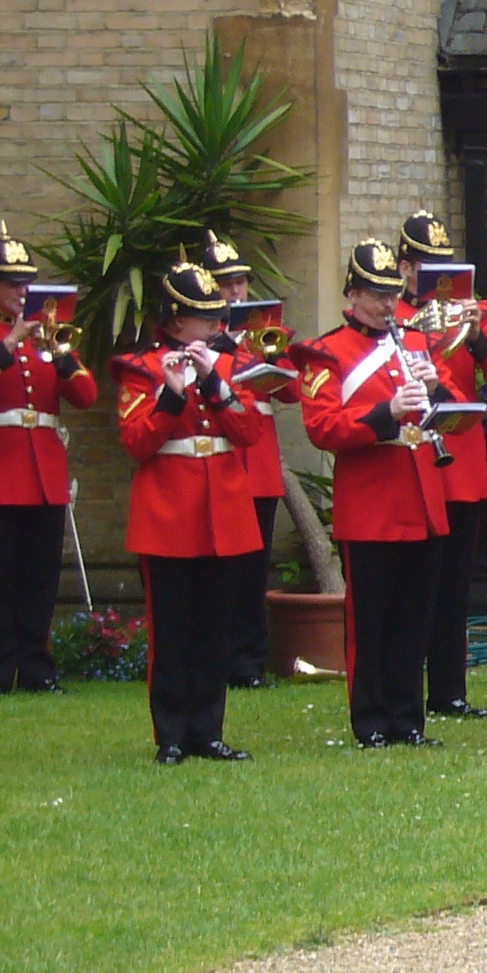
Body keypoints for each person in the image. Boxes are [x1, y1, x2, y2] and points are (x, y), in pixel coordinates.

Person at [296, 236, 453, 748]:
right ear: (353, 294)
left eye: (393, 292)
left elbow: (458, 420)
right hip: (371, 501)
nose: (390, 303)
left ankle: (409, 719)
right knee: (371, 621)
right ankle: (371, 721)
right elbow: (323, 428)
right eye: (377, 293)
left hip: (421, 497)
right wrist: (385, 413)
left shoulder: (414, 344)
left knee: (413, 620)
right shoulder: (327, 354)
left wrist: (436, 392)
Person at [114, 261, 272, 762]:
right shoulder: (142, 369)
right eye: (206, 319)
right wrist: (171, 393)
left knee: (214, 629)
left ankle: (207, 730)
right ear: (178, 323)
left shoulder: (229, 367)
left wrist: (215, 385)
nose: (217, 327)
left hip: (223, 510)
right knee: (174, 631)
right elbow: (137, 443)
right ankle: (172, 735)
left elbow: (249, 433)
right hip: (169, 513)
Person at [0, 224, 96, 693]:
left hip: (45, 473)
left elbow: (86, 395)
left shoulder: (50, 336)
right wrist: (10, 342)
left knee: (39, 579)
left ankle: (38, 668)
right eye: (12, 283)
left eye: (26, 283)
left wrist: (62, 354)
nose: (21, 291)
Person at [395, 211, 487, 720]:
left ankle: (448, 690)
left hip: (461, 465)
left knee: (453, 589)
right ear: (405, 268)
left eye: (442, 266)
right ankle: (404, 688)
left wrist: (475, 335)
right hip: (411, 459)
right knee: (412, 586)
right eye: (424, 265)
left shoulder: (470, 314)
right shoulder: (395, 318)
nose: (435, 276)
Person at [202, 230, 295, 687]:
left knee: (255, 568)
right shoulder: (202, 341)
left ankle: (250, 660)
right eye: (225, 285)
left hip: (258, 461)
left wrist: (267, 351)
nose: (236, 292)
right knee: (221, 568)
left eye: (239, 283)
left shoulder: (260, 332)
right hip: (222, 459)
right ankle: (217, 656)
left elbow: (294, 390)